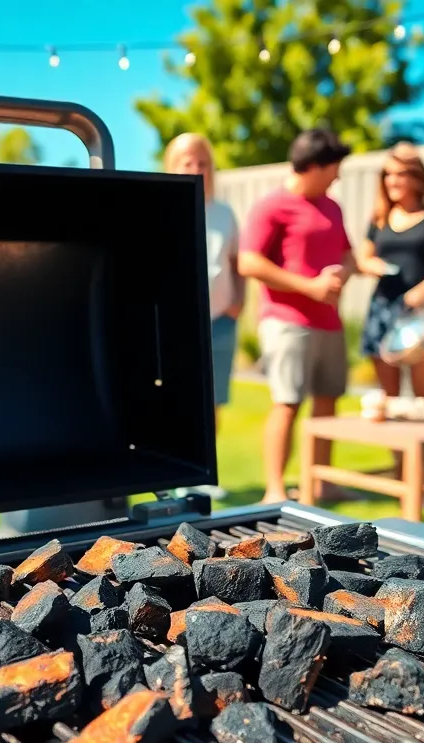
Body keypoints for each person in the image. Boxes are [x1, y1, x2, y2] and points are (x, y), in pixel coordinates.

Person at [238, 128, 357, 504]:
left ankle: (322, 484)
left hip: (329, 321)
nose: (338, 176)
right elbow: (249, 261)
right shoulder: (271, 205)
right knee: (287, 402)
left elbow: (348, 252)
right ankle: (275, 489)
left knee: (327, 400)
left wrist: (344, 273)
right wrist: (308, 287)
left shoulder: (332, 206)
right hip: (287, 320)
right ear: (315, 166)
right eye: (334, 168)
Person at [164, 133, 244, 499]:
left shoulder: (225, 214)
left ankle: (204, 472)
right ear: (173, 165)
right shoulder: (165, 206)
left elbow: (234, 263)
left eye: (202, 163)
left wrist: (237, 302)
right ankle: (178, 472)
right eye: (187, 162)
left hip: (220, 322)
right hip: (180, 322)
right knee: (180, 396)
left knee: (213, 401)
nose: (196, 169)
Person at [355, 142, 424, 401]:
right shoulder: (380, 217)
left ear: (417, 177)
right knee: (389, 400)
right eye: (387, 174)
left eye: (400, 174)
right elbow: (362, 259)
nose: (392, 181)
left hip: (423, 314)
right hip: (383, 309)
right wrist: (372, 266)